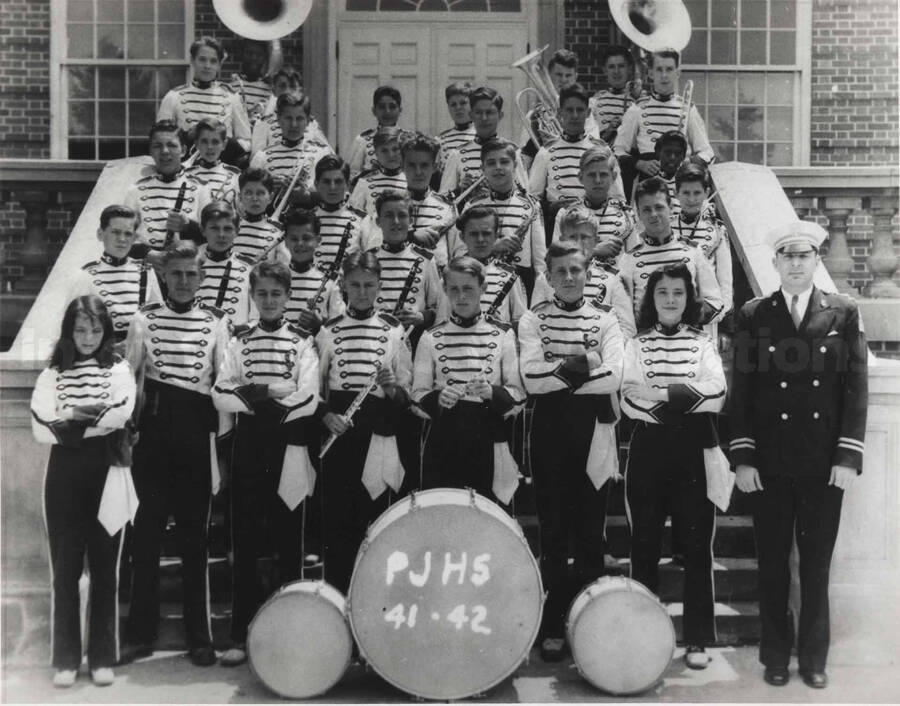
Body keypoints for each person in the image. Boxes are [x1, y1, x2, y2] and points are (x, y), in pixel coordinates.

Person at [729, 220, 868, 689]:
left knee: (815, 566)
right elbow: (741, 392)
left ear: (816, 261)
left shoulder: (844, 313)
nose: (794, 263)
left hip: (822, 464)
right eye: (786, 256)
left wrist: (847, 457)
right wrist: (743, 457)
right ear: (774, 263)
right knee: (771, 564)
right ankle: (774, 654)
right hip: (768, 465)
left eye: (803, 256)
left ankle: (812, 657)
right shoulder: (753, 315)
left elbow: (856, 390)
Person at [123, 243, 231, 667]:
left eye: (190, 274)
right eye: (176, 274)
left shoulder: (217, 322)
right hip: (152, 434)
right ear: (164, 276)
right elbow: (131, 379)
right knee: (146, 536)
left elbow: (222, 384)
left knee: (194, 540)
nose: (183, 281)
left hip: (194, 435)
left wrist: (220, 449)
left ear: (201, 277)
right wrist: (129, 431)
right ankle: (140, 633)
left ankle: (199, 636)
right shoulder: (142, 319)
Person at [518, 241, 624, 662]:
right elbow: (530, 379)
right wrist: (585, 362)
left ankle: (591, 626)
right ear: (547, 276)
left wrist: (558, 368)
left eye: (575, 270)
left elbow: (615, 375)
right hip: (548, 431)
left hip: (593, 430)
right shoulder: (532, 318)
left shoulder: (606, 318)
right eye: (559, 271)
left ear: (587, 272)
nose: (568, 278)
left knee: (590, 531)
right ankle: (554, 624)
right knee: (554, 532)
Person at [212, 261, 319, 668]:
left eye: (277, 294)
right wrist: (272, 388)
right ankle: (241, 633)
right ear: (252, 298)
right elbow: (221, 391)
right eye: (262, 294)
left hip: (289, 445)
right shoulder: (239, 342)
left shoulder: (303, 342)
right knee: (246, 540)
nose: (269, 301)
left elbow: (307, 397)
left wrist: (250, 396)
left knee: (289, 540)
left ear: (288, 297)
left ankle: (290, 632)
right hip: (249, 448)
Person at [620, 263, 727, 670]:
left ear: (689, 299)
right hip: (648, 451)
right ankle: (643, 634)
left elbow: (717, 392)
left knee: (697, 546)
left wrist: (660, 392)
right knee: (643, 544)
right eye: (662, 292)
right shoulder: (636, 344)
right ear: (652, 299)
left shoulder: (703, 344)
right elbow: (628, 397)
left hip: (692, 451)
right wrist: (682, 399)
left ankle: (697, 638)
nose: (670, 300)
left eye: (678, 293)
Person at [31, 296, 137, 687]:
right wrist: (91, 416)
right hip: (63, 475)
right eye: (79, 329)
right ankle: (65, 659)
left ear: (106, 331)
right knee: (65, 569)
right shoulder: (53, 373)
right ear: (68, 332)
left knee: (106, 567)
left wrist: (72, 416)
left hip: (107, 471)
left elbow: (121, 412)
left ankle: (102, 656)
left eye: (95, 329)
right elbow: (41, 424)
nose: (87, 337)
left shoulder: (119, 369)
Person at [315, 251, 413, 593]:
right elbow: (317, 389)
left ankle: (375, 602)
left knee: (376, 521)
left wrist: (391, 387)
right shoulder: (328, 331)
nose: (361, 292)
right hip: (340, 432)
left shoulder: (393, 330)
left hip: (378, 433)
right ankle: (339, 600)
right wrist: (326, 416)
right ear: (343, 286)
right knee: (339, 525)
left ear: (379, 286)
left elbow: (407, 393)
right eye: (354, 285)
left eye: (369, 285)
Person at [413, 256, 525, 501]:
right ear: (444, 289)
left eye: (468, 288)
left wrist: (492, 392)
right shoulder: (430, 337)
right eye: (454, 289)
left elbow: (518, 393)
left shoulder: (503, 334)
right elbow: (417, 395)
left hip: (488, 434)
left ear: (483, 289)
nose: (461, 296)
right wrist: (438, 398)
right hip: (444, 435)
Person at [618, 177, 724, 327]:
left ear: (671, 207)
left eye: (659, 207)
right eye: (646, 210)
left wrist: (683, 316)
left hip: (686, 342)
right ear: (639, 215)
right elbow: (624, 314)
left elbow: (715, 301)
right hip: (646, 344)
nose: (653, 214)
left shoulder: (692, 251)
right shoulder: (629, 260)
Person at [528, 83, 625, 239]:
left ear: (588, 113)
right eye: (569, 110)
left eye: (579, 110)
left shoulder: (601, 149)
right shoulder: (546, 152)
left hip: (597, 225)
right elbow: (533, 198)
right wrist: (552, 208)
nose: (574, 116)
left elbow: (618, 198)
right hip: (558, 225)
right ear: (559, 113)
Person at [613, 50, 714, 196]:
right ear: (650, 73)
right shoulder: (638, 109)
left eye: (669, 69)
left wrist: (686, 162)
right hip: (648, 186)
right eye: (659, 70)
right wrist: (640, 163)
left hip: (681, 187)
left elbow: (707, 152)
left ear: (677, 73)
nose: (664, 75)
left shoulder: (687, 108)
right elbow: (618, 150)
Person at [532, 206, 635, 338]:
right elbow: (534, 325)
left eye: (585, 237)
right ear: (562, 240)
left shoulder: (612, 279)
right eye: (573, 237)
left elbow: (627, 329)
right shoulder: (546, 278)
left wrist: (606, 352)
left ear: (596, 241)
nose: (579, 243)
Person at [465, 138, 546, 298]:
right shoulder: (472, 205)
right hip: (481, 279)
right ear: (483, 168)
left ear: (515, 166)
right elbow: (461, 253)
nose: (498, 168)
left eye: (504, 162)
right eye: (491, 163)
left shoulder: (531, 205)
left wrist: (540, 294)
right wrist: (493, 247)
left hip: (521, 281)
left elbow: (539, 258)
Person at [72, 205, 162, 341]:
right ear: (100, 234)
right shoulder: (87, 274)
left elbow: (158, 318)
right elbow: (74, 323)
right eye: (115, 232)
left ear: (134, 238)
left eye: (128, 234)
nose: (122, 239)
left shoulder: (146, 271)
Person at [157, 37, 251, 165]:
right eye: (202, 59)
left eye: (213, 61)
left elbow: (246, 141)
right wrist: (187, 136)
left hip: (221, 171)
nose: (207, 66)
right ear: (192, 61)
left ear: (219, 65)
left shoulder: (231, 97)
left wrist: (224, 142)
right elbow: (160, 139)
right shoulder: (174, 96)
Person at [123, 120, 209, 252]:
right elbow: (123, 236)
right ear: (150, 151)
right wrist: (147, 255)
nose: (164, 151)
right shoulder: (135, 191)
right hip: (146, 267)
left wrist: (188, 226)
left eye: (172, 145)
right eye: (157, 146)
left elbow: (212, 236)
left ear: (183, 150)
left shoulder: (201, 189)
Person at [437, 205, 527, 325]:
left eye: (486, 233)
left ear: (496, 235)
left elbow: (522, 322)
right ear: (462, 237)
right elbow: (441, 323)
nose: (480, 239)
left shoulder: (509, 276)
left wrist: (500, 327)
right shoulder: (449, 276)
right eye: (474, 234)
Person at [440, 87, 528, 196]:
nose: (484, 118)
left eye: (490, 112)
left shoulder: (513, 152)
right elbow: (443, 201)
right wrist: (459, 191)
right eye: (478, 112)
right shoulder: (457, 154)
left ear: (500, 116)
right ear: (471, 115)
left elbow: (526, 196)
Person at [551, 145, 637, 258]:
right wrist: (594, 251)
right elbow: (556, 256)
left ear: (614, 177)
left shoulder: (626, 214)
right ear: (580, 178)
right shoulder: (565, 213)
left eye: (603, 175)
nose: (597, 180)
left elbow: (634, 258)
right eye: (591, 175)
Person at [672, 163, 732, 318]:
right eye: (686, 193)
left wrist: (718, 316)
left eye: (697, 193)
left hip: (705, 314)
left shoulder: (717, 231)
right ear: (676, 193)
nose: (691, 199)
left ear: (706, 193)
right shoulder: (667, 228)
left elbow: (725, 282)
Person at [249, 93, 331, 198]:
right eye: (288, 118)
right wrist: (267, 185)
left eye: (300, 118)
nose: (294, 125)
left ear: (308, 120)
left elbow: (333, 193)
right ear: (278, 119)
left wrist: (308, 195)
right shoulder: (262, 157)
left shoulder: (322, 154)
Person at [401, 132, 459, 271]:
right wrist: (411, 235)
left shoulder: (446, 206)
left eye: (424, 165)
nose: (418, 172)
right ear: (402, 166)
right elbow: (375, 243)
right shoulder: (389, 203)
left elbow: (458, 251)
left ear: (434, 167)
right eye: (412, 165)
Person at [281, 207, 344, 334]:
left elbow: (340, 326)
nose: (300, 244)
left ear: (318, 241)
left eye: (306, 238)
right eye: (294, 239)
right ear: (286, 242)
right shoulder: (275, 276)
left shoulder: (330, 279)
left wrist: (320, 323)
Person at [196, 201, 257, 326]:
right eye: (214, 228)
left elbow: (256, 317)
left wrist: (241, 330)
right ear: (202, 230)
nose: (221, 235)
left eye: (228, 229)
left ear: (237, 231)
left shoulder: (248, 268)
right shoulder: (191, 264)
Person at [520, 48, 580, 170]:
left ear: (575, 77)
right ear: (550, 75)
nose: (563, 80)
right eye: (558, 75)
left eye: (568, 75)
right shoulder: (534, 115)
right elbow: (523, 156)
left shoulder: (583, 111)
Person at [312, 155, 368, 270]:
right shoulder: (305, 219)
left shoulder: (362, 220)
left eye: (338, 182)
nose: (332, 187)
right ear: (316, 184)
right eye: (326, 182)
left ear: (347, 184)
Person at [349, 126, 408, 217]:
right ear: (376, 154)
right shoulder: (365, 182)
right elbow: (354, 217)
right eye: (384, 151)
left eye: (395, 149)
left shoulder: (410, 180)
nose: (391, 155)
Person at [348, 85, 403, 181]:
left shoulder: (408, 139)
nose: (387, 112)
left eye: (392, 107)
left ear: (400, 110)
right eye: (382, 107)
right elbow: (351, 175)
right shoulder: (363, 140)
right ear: (374, 111)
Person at [233, 168, 288, 264]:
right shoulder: (230, 226)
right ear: (240, 197)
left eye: (260, 193)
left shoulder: (279, 231)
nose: (254, 198)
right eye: (248, 193)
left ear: (270, 197)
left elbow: (284, 266)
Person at [184, 119, 241, 208]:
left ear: (224, 144)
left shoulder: (235, 176)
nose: (210, 147)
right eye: (204, 142)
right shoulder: (186, 175)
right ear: (196, 144)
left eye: (215, 142)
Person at [585, 46, 636, 145]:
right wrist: (608, 131)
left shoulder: (637, 101)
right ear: (605, 70)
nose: (616, 71)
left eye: (621, 66)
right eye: (611, 67)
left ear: (629, 69)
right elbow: (589, 140)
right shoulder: (595, 102)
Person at [229, 39, 274, 125]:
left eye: (259, 54)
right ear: (242, 55)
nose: (254, 57)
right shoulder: (231, 87)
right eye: (249, 53)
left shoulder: (270, 90)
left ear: (264, 57)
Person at [436, 82, 475, 173]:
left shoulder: (481, 136)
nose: (458, 108)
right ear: (448, 107)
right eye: (453, 104)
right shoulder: (440, 140)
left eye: (463, 103)